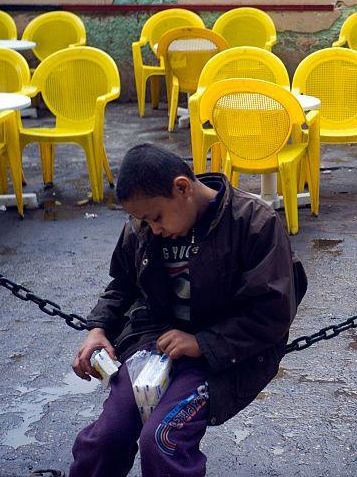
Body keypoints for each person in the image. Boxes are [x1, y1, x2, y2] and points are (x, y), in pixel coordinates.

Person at [69, 143, 307, 477]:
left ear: (182, 188)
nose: (153, 229)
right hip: (151, 344)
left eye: (156, 218)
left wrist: (201, 343)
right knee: (106, 437)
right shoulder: (141, 225)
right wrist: (97, 329)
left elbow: (272, 312)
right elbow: (122, 285)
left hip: (224, 355)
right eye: (144, 221)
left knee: (162, 440)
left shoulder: (254, 223)